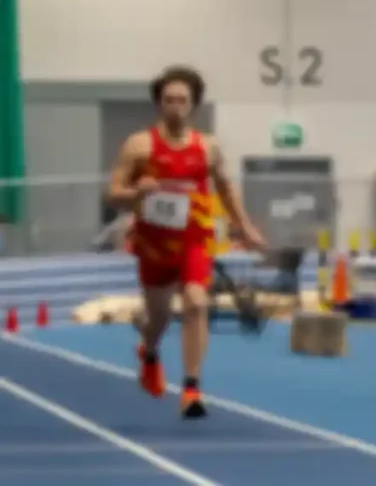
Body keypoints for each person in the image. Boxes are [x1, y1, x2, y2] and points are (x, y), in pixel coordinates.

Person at [107, 65, 264, 418]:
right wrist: (136, 191)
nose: (175, 106)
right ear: (158, 103)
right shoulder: (139, 145)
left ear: (193, 105)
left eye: (182, 100)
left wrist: (245, 227)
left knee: (196, 303)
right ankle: (148, 351)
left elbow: (225, 188)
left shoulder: (207, 147)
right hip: (153, 244)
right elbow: (113, 194)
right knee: (159, 317)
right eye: (168, 99)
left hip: (194, 240)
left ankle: (191, 388)